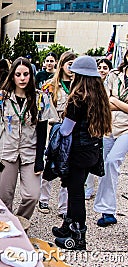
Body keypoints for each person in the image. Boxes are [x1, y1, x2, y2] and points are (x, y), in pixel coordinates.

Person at [52, 56, 111, 250]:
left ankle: (78, 236)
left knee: (75, 193)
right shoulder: (99, 96)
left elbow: (66, 130)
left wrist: (58, 124)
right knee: (74, 189)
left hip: (76, 152)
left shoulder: (78, 98)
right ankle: (67, 227)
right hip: (91, 152)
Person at [0, 57, 56, 220]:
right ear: (12, 76)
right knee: (4, 196)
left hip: (30, 153)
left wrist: (40, 158)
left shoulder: (41, 98)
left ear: (31, 75)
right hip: (6, 152)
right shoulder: (1, 98)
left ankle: (19, 221)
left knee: (32, 196)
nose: (22, 78)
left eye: (25, 74)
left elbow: (42, 131)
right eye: (18, 74)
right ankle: (5, 226)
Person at [38, 51, 76, 217]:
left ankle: (63, 207)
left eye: (74, 64)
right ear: (62, 64)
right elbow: (44, 110)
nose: (71, 68)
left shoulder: (79, 85)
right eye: (69, 64)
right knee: (49, 165)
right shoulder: (50, 85)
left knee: (68, 168)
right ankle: (43, 199)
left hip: (72, 131)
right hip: (54, 130)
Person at [93, 50, 128, 227]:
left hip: (126, 129)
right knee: (105, 166)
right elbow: (105, 102)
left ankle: (107, 207)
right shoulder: (115, 75)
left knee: (113, 161)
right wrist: (119, 104)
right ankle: (107, 211)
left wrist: (116, 100)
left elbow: (112, 100)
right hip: (109, 126)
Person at [85, 57, 113, 200]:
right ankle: (89, 188)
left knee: (106, 161)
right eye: (100, 67)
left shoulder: (112, 85)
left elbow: (110, 104)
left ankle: (102, 193)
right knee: (92, 159)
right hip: (93, 128)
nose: (102, 70)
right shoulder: (91, 84)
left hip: (108, 128)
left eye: (105, 68)